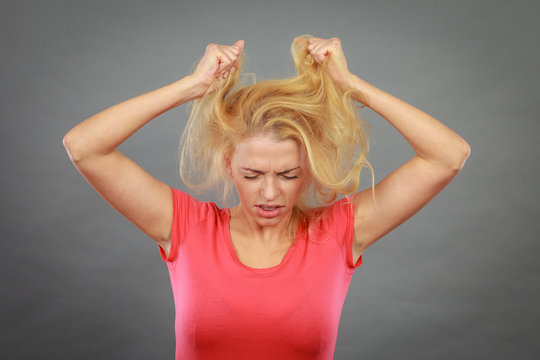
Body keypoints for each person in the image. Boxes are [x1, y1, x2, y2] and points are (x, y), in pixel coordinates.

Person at [63, 35, 470, 359]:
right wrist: (192, 87)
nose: (271, 192)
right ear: (229, 165)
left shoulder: (338, 231)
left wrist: (350, 86)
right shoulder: (186, 227)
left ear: (306, 168)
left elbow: (448, 155)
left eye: (289, 175)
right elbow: (84, 146)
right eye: (252, 174)